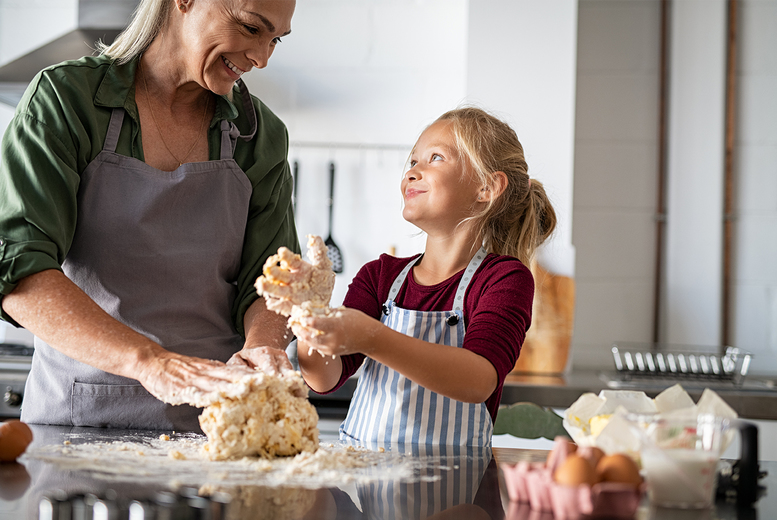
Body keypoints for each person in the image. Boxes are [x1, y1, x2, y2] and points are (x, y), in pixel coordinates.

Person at [0, 0, 299, 431]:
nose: (262, 58)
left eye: (276, 41)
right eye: (252, 28)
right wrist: (151, 362)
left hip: (216, 425)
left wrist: (263, 348)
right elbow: (19, 269)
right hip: (77, 424)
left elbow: (273, 283)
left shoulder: (260, 136)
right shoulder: (68, 101)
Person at [294, 107, 557, 448]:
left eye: (435, 158)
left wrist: (372, 337)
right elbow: (324, 378)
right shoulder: (379, 276)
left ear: (487, 187)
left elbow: (477, 380)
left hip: (455, 489)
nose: (414, 172)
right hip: (361, 487)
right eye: (413, 161)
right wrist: (308, 316)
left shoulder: (504, 279)